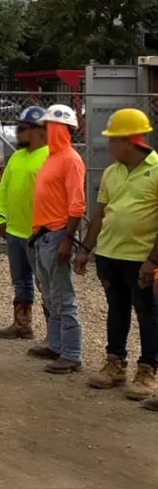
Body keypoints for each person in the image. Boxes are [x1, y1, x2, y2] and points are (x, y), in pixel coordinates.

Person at [73, 109, 158, 399]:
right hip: (110, 255)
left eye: (113, 140)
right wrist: (86, 249)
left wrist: (153, 260)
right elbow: (100, 214)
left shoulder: (157, 170)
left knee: (147, 312)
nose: (108, 145)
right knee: (117, 309)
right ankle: (115, 363)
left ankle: (148, 369)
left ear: (130, 140)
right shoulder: (111, 171)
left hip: (141, 258)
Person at [28, 103, 86, 375]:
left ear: (64, 130)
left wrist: (67, 239)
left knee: (63, 296)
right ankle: (56, 344)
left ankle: (72, 353)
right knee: (50, 295)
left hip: (57, 234)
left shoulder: (71, 160)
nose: (45, 131)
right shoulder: (51, 158)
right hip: (43, 235)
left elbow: (77, 204)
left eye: (50, 127)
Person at [0, 107, 49, 341]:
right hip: (14, 231)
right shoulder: (16, 157)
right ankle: (22, 324)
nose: (18, 132)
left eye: (24, 128)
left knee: (45, 284)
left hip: (37, 234)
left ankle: (54, 335)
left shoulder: (49, 157)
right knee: (21, 281)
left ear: (40, 131)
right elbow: (4, 189)